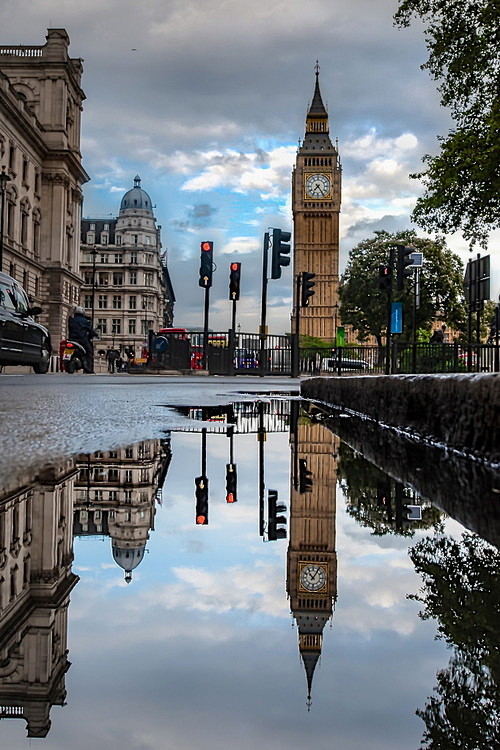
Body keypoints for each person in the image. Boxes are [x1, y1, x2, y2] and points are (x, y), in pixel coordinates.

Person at [68, 306, 99, 373]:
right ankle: (88, 368)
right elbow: (90, 330)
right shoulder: (84, 321)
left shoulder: (71, 319)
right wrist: (94, 334)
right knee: (89, 352)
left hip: (72, 339)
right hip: (82, 339)